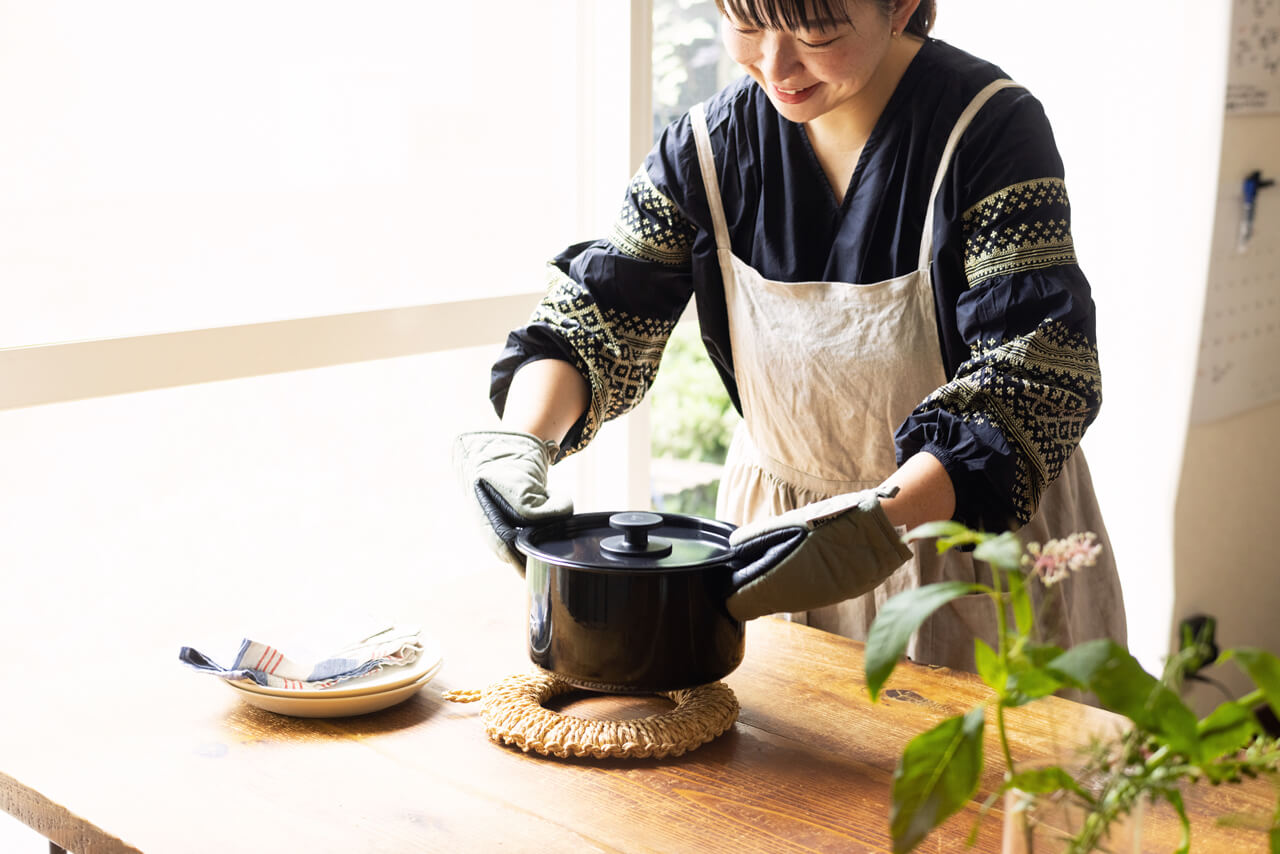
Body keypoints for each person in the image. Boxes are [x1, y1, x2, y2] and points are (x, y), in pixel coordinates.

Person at [455, 0, 1127, 671]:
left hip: (960, 533)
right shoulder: (705, 148)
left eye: (816, 32)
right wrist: (521, 445)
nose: (774, 65)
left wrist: (872, 524)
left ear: (901, 9)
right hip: (771, 546)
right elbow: (596, 316)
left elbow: (1036, 377)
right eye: (746, 25)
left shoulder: (989, 130)